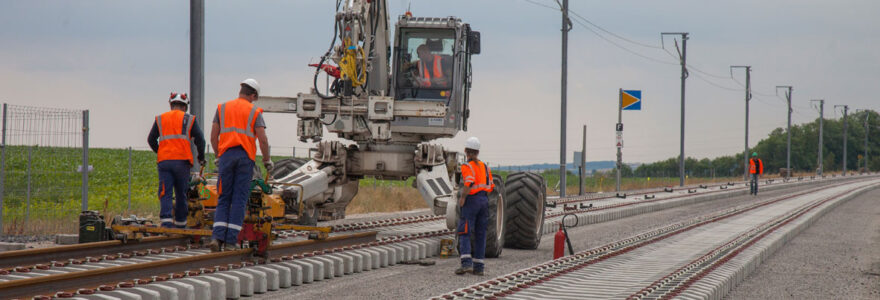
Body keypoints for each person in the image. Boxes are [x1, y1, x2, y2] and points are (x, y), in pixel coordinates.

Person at [209, 78, 273, 251]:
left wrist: (218, 155)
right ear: (253, 95)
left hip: (226, 157)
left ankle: (217, 237)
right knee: (239, 199)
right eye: (255, 97)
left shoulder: (222, 108)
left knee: (223, 197)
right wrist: (267, 160)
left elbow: (213, 136)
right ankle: (230, 242)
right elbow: (263, 139)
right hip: (245, 158)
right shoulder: (254, 111)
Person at [147, 92, 206, 228]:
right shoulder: (190, 119)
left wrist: (160, 151)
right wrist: (201, 157)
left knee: (165, 192)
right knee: (181, 192)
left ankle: (166, 222)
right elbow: (200, 140)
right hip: (182, 162)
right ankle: (180, 223)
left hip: (165, 162)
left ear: (170, 104)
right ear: (185, 107)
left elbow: (151, 139)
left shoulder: (160, 118)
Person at [455, 137, 495, 276]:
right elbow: (491, 185)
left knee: (465, 231)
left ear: (466, 151)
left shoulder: (467, 166)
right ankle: (479, 267)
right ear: (477, 152)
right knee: (481, 233)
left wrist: (463, 197)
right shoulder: (485, 166)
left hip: (471, 201)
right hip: (484, 200)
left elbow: (469, 181)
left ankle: (466, 264)